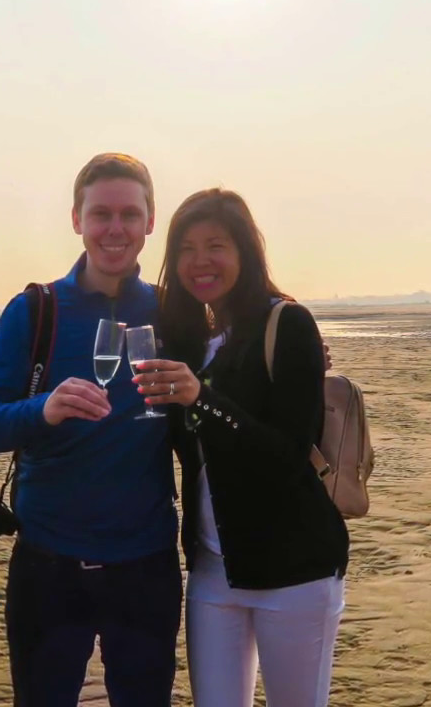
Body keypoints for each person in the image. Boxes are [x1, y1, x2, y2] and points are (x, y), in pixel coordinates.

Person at [0, 153, 181, 707]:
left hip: (146, 562)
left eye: (130, 215)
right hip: (49, 565)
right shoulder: (36, 309)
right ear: (76, 219)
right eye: (100, 213)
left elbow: (230, 365)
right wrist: (42, 410)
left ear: (150, 222)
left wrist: (299, 348)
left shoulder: (173, 312)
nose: (115, 228)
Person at [134, 188, 350, 707]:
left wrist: (201, 400)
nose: (200, 261)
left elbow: (285, 453)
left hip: (293, 569)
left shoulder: (287, 324)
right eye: (185, 249)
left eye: (216, 245)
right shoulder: (188, 339)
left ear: (245, 252)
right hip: (213, 571)